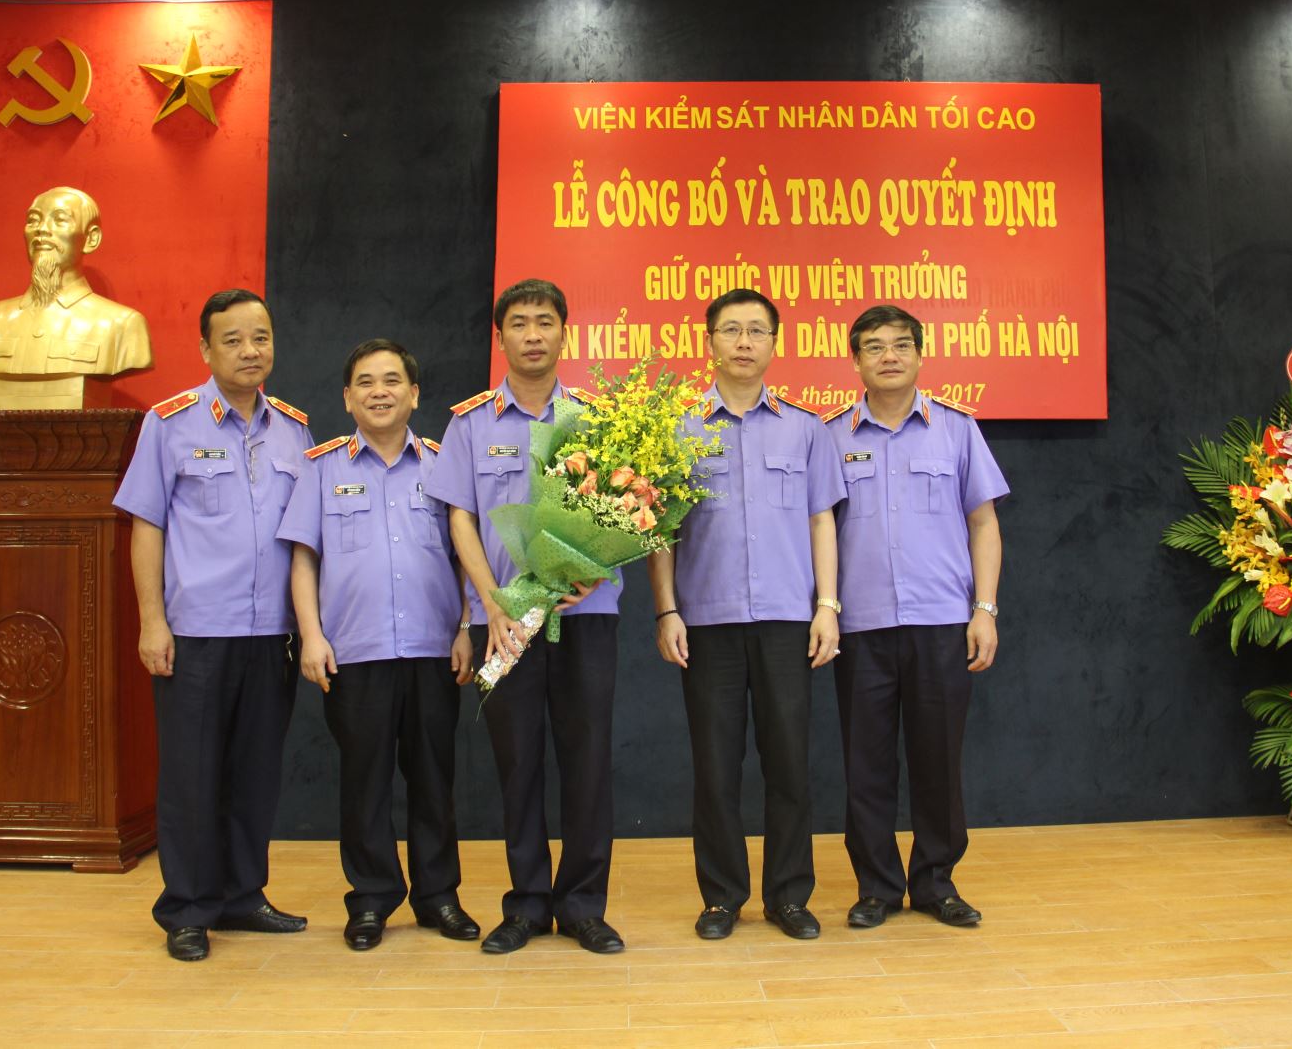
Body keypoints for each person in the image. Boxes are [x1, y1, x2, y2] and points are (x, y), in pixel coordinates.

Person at [425, 279, 625, 956]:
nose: (533, 334)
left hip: (586, 612)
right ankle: (528, 904)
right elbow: (459, 516)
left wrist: (595, 567)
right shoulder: (470, 424)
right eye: (519, 322)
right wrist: (488, 601)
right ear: (500, 336)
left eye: (545, 321)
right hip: (506, 621)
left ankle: (584, 905)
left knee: (588, 760)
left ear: (565, 332)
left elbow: (631, 508)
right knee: (518, 762)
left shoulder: (599, 419)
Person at [113, 289, 313, 962]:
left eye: (261, 337)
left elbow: (305, 537)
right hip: (196, 631)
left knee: (254, 773)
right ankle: (188, 908)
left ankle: (242, 894)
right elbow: (146, 526)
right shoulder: (170, 423)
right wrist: (152, 620)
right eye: (233, 340)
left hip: (272, 633)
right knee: (192, 776)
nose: (250, 351)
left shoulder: (294, 429)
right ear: (205, 349)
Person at [647, 287, 845, 941]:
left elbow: (821, 520)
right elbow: (660, 530)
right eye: (730, 329)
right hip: (707, 620)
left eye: (756, 330)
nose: (743, 341)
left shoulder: (805, 428)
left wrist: (827, 605)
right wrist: (667, 609)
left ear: (774, 344)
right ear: (709, 342)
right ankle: (721, 897)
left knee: (789, 762)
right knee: (715, 766)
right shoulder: (678, 430)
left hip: (789, 618)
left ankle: (789, 895)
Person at [277, 339, 479, 952]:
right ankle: (370, 899)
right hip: (354, 652)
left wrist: (465, 627)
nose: (379, 392)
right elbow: (303, 558)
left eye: (392, 380)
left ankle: (439, 897)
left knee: (433, 778)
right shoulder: (321, 467)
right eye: (365, 382)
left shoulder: (443, 465)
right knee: (363, 782)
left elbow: (465, 558)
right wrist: (311, 635)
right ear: (347, 397)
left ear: (414, 394)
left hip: (432, 650)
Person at [821, 304, 1007, 931]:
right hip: (860, 625)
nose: (889, 356)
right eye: (874, 347)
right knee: (866, 764)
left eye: (901, 345)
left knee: (938, 760)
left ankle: (936, 882)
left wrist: (984, 609)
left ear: (921, 355)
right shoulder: (831, 436)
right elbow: (819, 531)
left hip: (941, 622)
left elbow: (984, 524)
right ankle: (876, 886)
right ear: (855, 361)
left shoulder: (956, 429)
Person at [0, 186, 152, 409]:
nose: (42, 229)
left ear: (91, 239)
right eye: (33, 220)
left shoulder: (122, 324)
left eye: (60, 220)